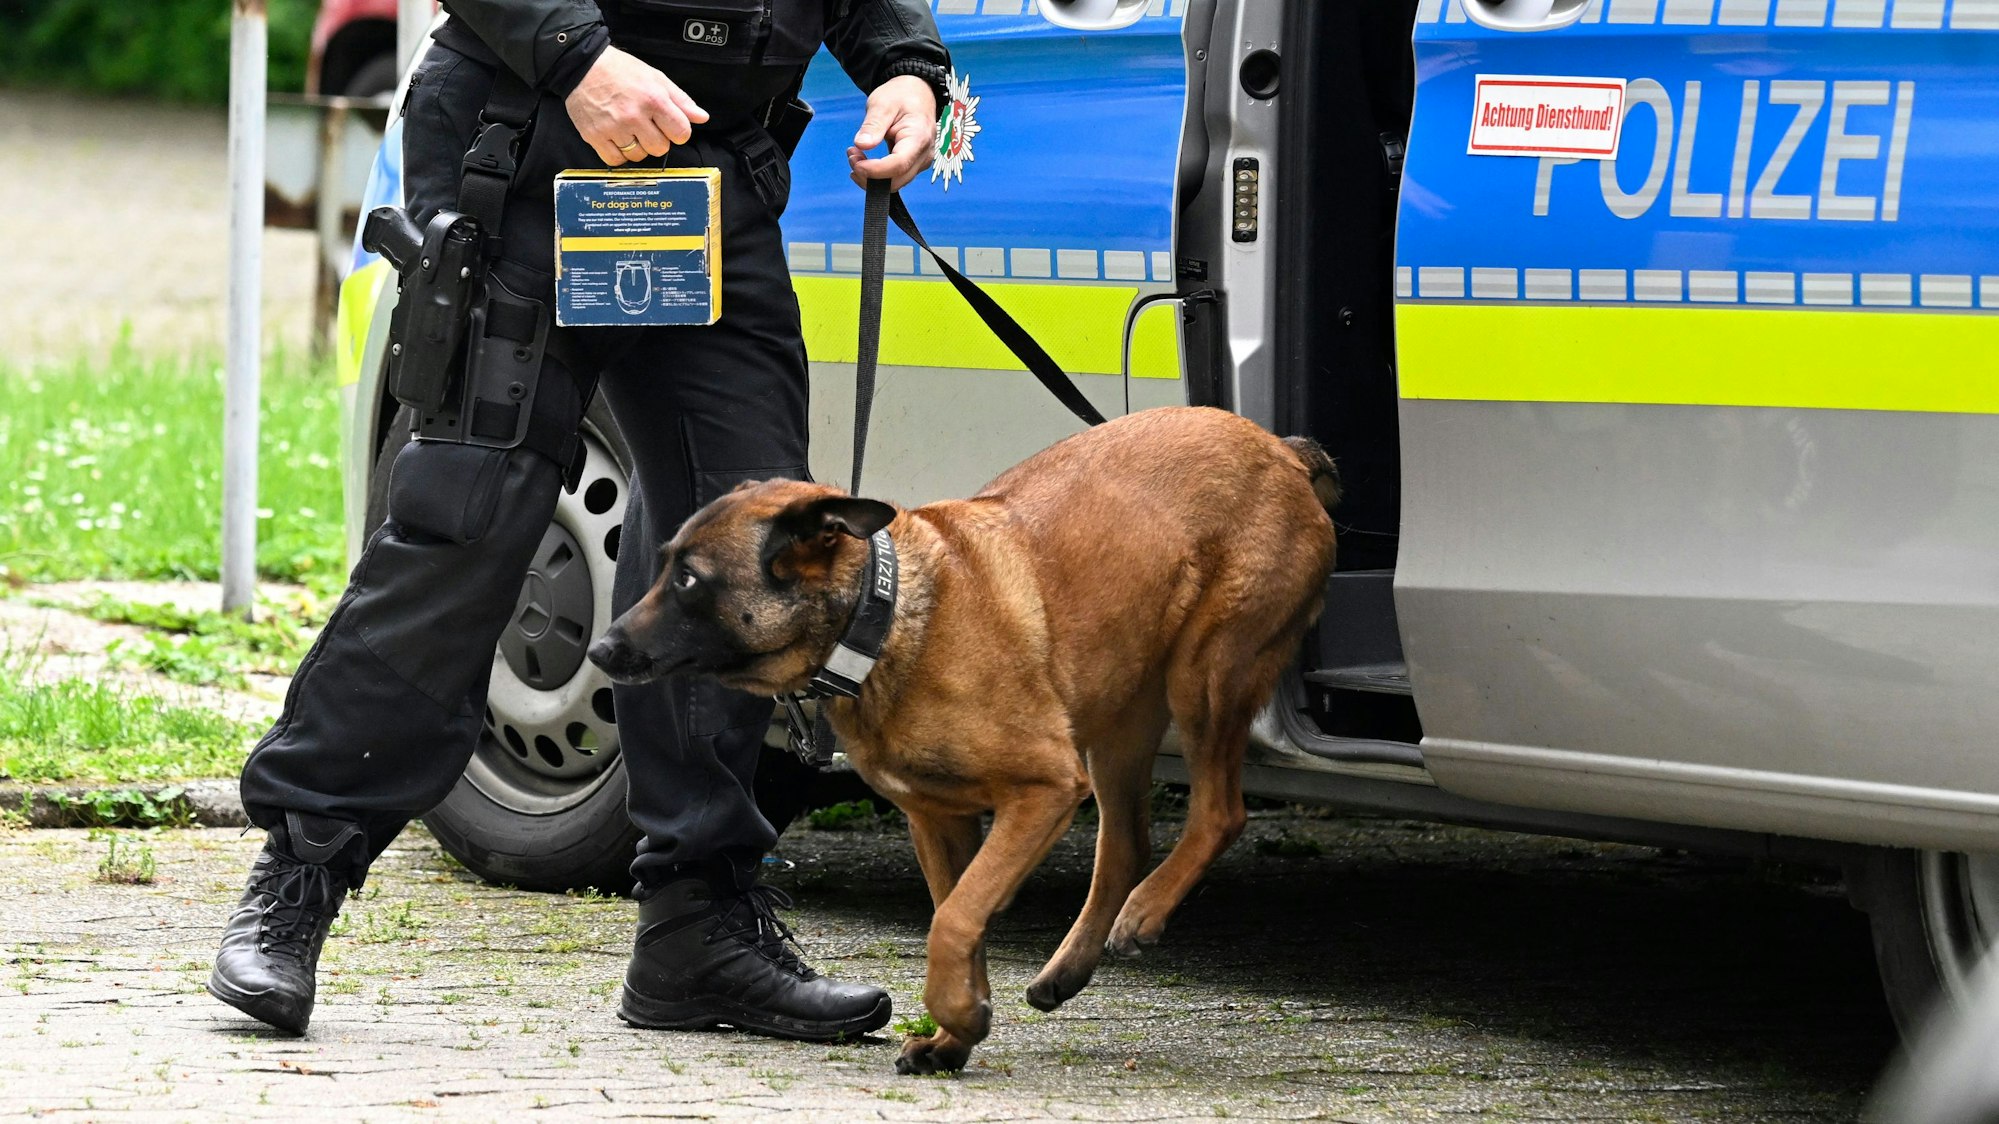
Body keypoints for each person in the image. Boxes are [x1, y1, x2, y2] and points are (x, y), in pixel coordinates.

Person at [207, 0, 951, 1040]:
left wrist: (907, 68)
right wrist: (580, 60)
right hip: (524, 147)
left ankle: (702, 930)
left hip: (709, 176)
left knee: (750, 552)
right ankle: (299, 876)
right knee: (465, 523)